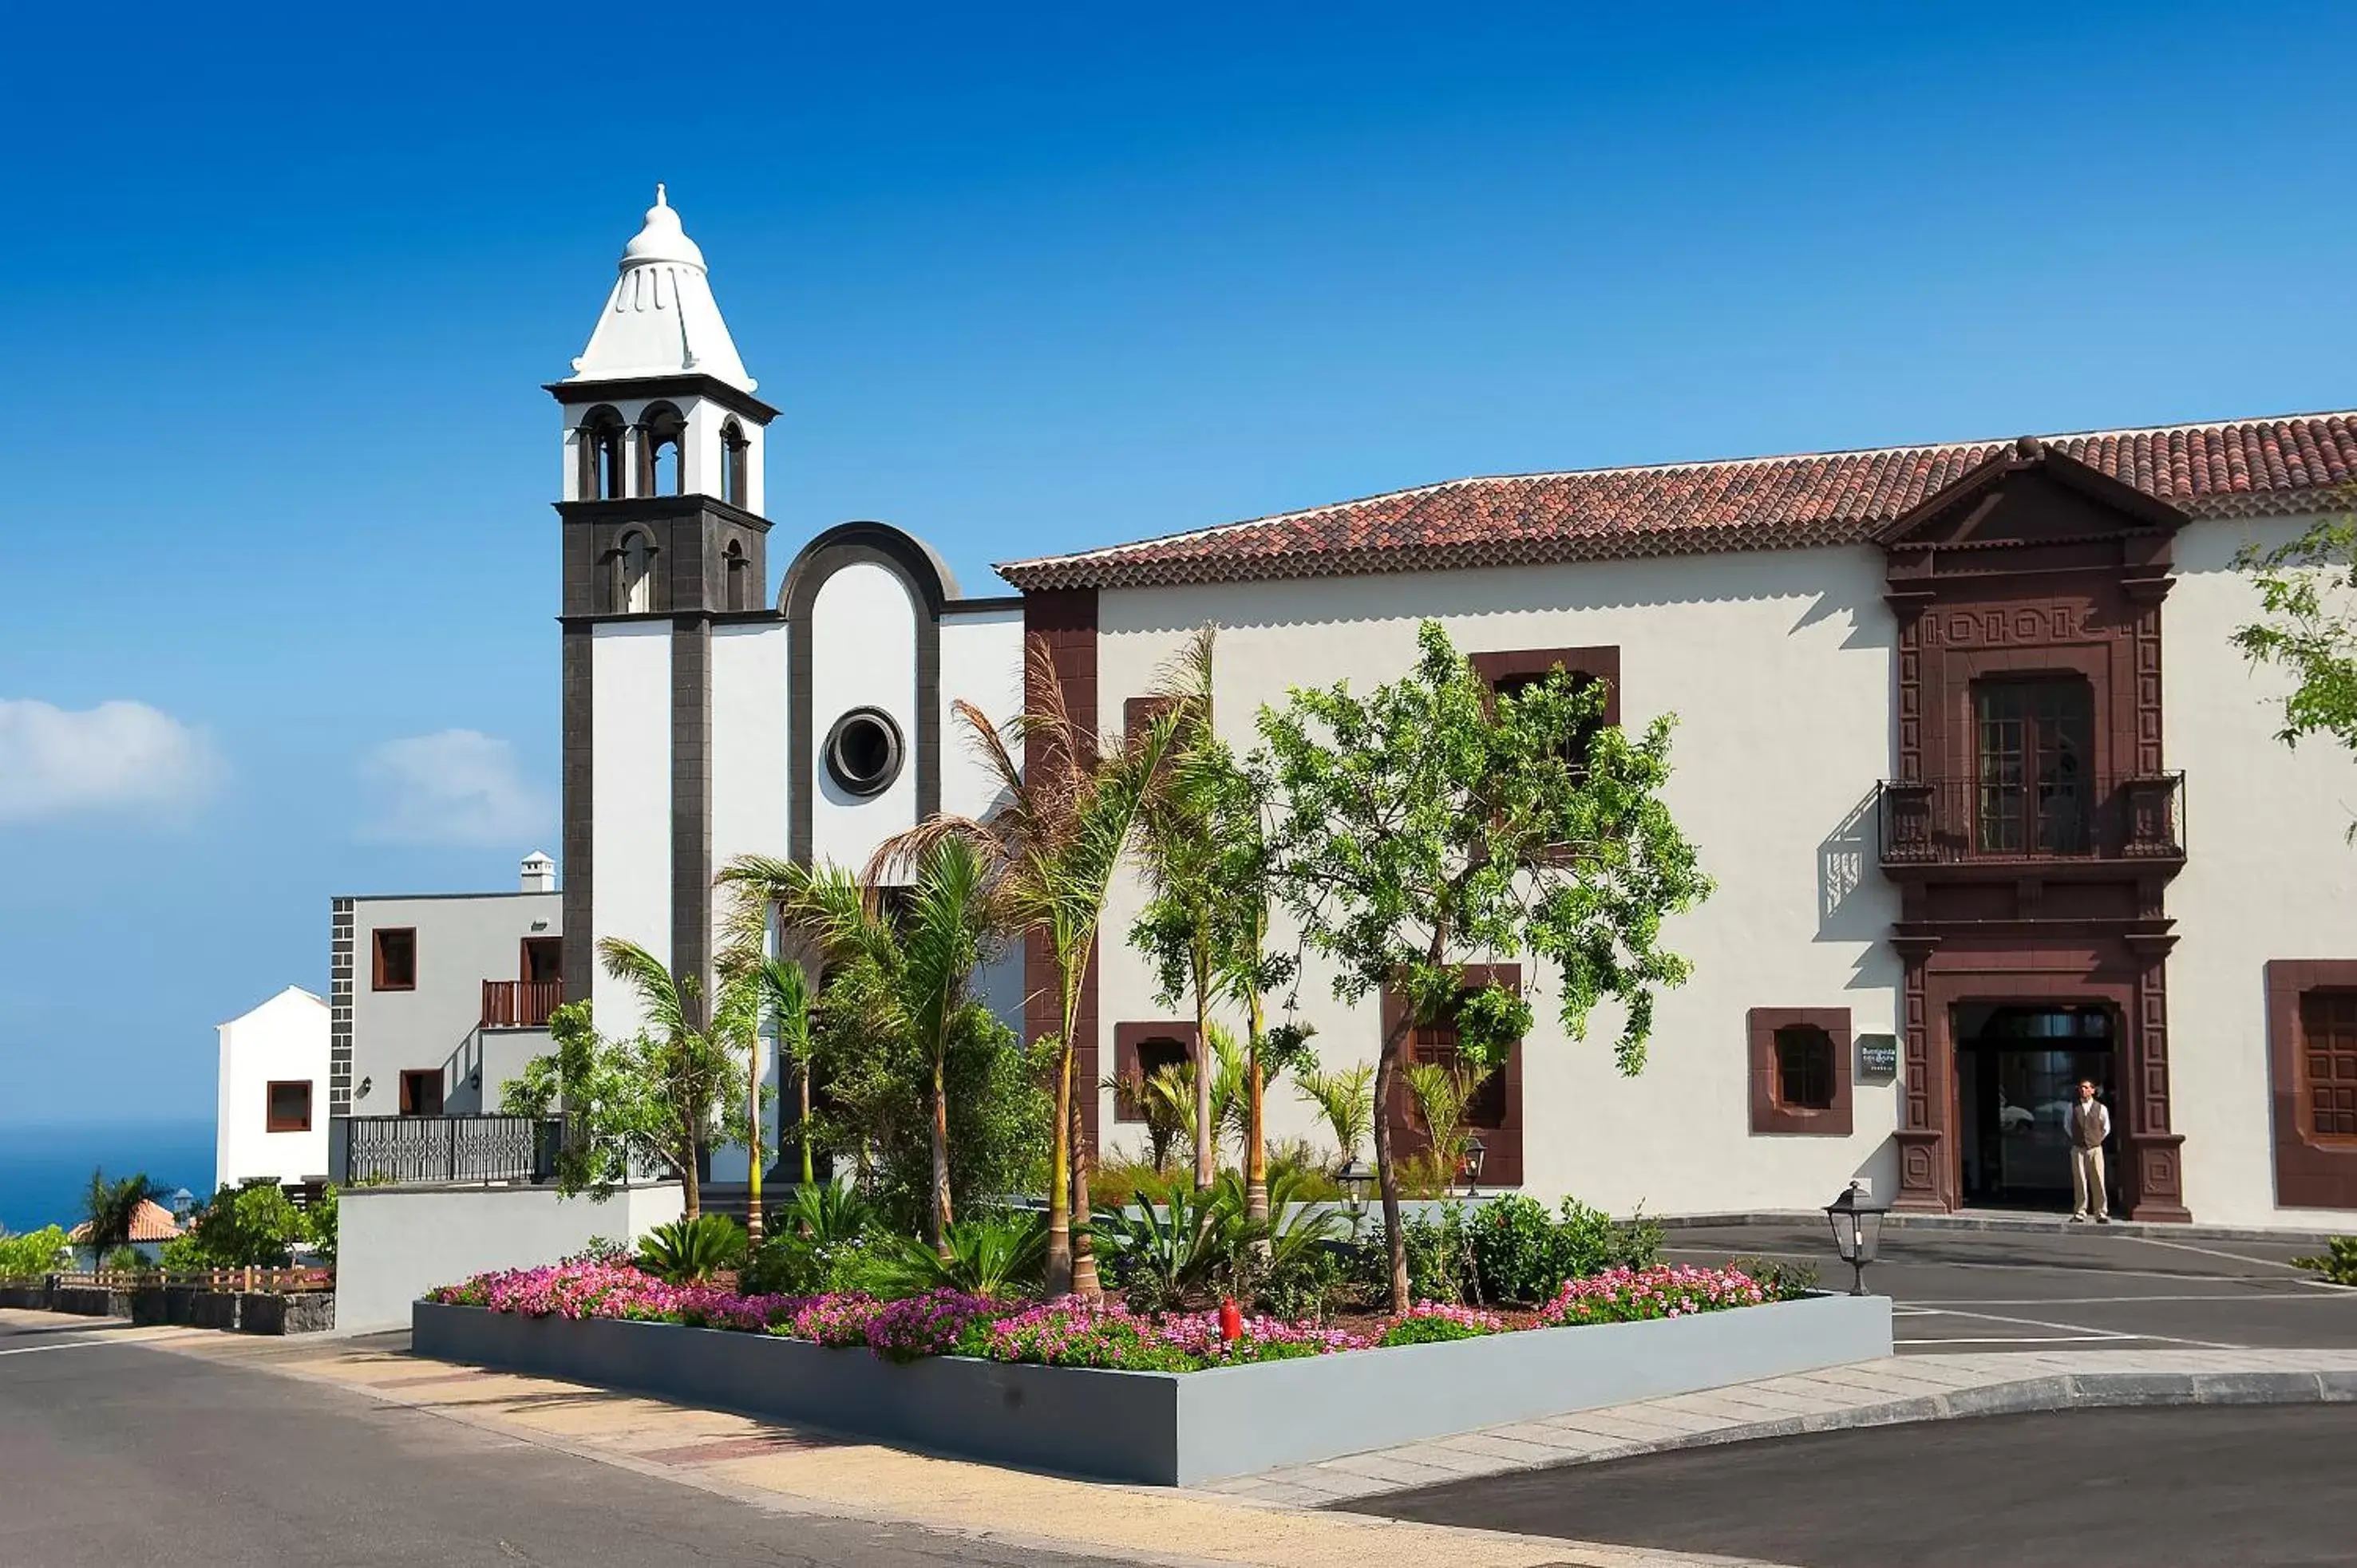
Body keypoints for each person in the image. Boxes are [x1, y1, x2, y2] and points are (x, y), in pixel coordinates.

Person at [2066, 1079, 2110, 1223]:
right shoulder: (2071, 1107)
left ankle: (2101, 1212)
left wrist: (2095, 1140)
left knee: (2098, 1179)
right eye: (2081, 1088)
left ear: (2093, 1090)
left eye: (2086, 1088)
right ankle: (2080, 1212)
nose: (2083, 1090)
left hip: (2095, 1148)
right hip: (2078, 1148)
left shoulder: (2101, 1108)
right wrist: (2077, 1140)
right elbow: (2067, 1125)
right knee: (2080, 1180)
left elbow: (2106, 1128)